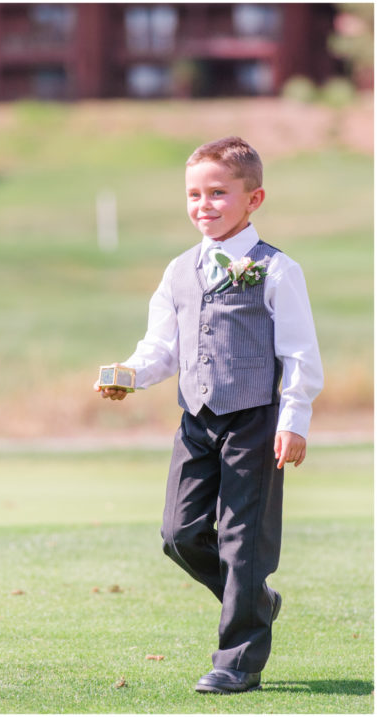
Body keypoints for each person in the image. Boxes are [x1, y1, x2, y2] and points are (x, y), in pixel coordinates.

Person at [96, 136, 323, 694]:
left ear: (254, 199)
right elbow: (162, 348)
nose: (204, 205)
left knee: (243, 542)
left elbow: (299, 352)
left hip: (255, 420)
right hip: (196, 419)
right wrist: (129, 375)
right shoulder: (178, 271)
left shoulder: (275, 270)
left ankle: (238, 661)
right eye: (195, 194)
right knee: (180, 534)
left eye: (218, 193)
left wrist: (294, 420)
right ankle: (256, 599)